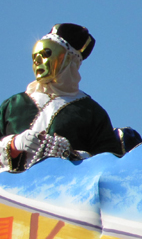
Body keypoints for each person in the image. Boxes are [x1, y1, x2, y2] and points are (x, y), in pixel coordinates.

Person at [0, 23, 121, 172]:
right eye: (35, 55)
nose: (37, 61)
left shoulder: (91, 112)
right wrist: (13, 145)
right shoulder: (13, 105)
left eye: (46, 54)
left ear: (70, 59)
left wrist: (73, 156)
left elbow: (111, 166)